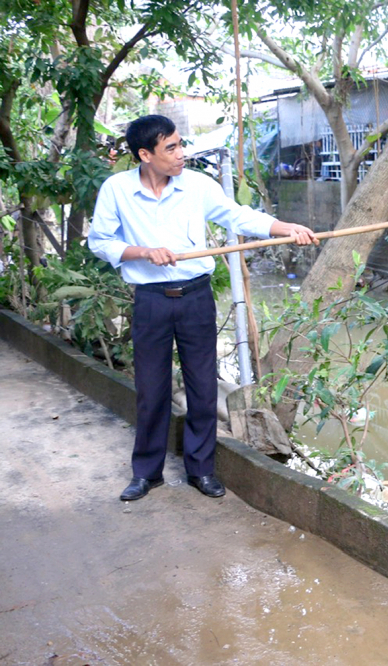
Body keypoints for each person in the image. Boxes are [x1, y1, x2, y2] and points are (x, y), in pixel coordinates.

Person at [88, 114, 319, 501]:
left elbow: (237, 215)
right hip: (150, 300)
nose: (182, 154)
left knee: (201, 386)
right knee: (151, 389)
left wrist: (286, 228)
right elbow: (100, 241)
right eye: (172, 148)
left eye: (181, 144)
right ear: (145, 154)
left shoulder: (196, 185)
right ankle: (147, 473)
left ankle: (201, 470)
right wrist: (143, 251)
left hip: (195, 297)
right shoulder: (117, 190)